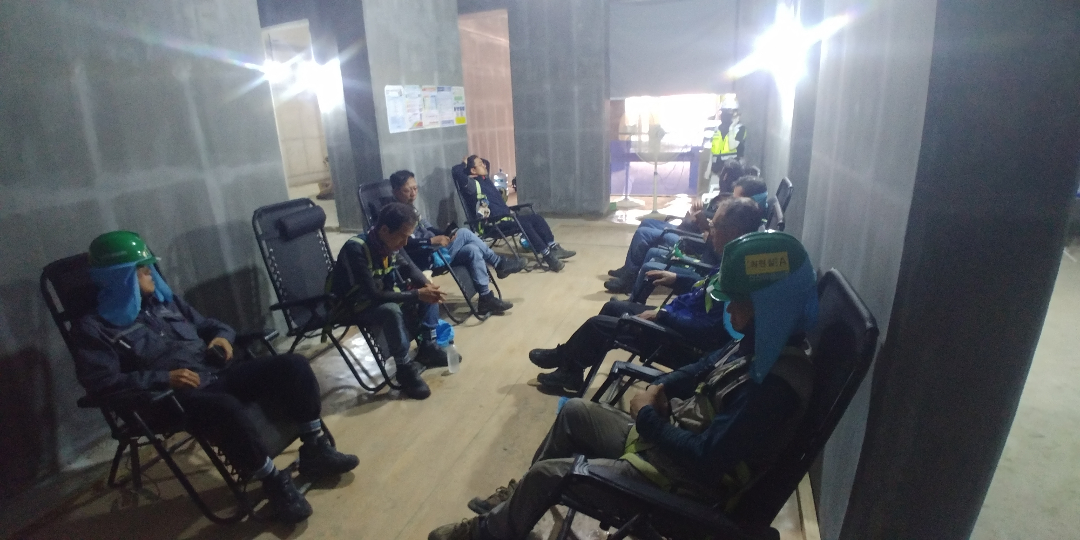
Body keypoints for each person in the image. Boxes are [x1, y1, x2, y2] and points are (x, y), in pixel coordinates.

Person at [428, 231, 818, 540]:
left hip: (679, 488)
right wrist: (661, 385)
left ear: (770, 305)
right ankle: (518, 505)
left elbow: (706, 461)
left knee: (550, 475)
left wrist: (647, 416)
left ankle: (486, 532)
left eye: (738, 302)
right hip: (666, 452)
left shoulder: (770, 388)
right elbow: (703, 365)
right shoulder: (761, 342)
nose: (730, 309)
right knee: (575, 412)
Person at [72, 231, 359, 524]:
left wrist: (222, 338)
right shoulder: (94, 328)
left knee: (293, 365)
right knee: (224, 407)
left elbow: (209, 325)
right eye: (143, 271)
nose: (152, 275)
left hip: (217, 371)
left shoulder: (165, 302)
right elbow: (101, 383)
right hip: (171, 399)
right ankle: (273, 481)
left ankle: (314, 449)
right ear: (119, 278)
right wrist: (163, 378)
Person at [530, 197, 766, 394]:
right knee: (613, 309)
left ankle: (566, 363)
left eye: (715, 226)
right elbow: (707, 288)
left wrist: (662, 315)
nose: (710, 231)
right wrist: (677, 279)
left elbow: (710, 330)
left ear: (734, 231)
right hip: (677, 317)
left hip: (680, 340)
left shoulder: (740, 277)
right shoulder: (735, 258)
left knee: (598, 325)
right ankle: (569, 367)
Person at [328, 202, 448, 400]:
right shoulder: (356, 249)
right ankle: (404, 368)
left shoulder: (390, 244)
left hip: (380, 296)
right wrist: (417, 294)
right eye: (402, 236)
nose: (405, 243)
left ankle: (428, 345)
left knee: (427, 291)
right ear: (384, 230)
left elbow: (409, 268)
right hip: (353, 306)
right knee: (392, 309)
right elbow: (373, 294)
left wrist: (428, 287)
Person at [604, 160, 753, 293]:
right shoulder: (726, 201)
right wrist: (696, 213)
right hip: (686, 228)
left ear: (725, 176)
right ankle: (628, 269)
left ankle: (629, 279)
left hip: (690, 238)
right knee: (646, 222)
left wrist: (702, 222)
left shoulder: (732, 213)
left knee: (644, 233)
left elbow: (710, 232)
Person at [390, 170, 522, 315]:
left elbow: (429, 228)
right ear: (396, 191)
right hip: (425, 258)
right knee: (464, 233)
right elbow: (404, 244)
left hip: (436, 250)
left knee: (472, 249)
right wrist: (431, 240)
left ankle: (485, 298)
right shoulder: (396, 214)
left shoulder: (412, 209)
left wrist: (444, 233)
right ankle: (498, 263)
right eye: (408, 190)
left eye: (415, 188)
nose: (413, 193)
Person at [452, 155, 575, 271]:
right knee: (525, 224)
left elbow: (487, 163)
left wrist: (476, 162)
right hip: (493, 224)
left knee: (537, 218)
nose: (484, 165)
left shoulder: (485, 180)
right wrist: (464, 163)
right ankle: (547, 256)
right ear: (473, 170)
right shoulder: (471, 185)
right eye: (480, 164)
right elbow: (456, 172)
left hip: (506, 219)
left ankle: (553, 247)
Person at [709, 94, 747, 179]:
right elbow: (712, 153)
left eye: (728, 112)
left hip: (732, 171)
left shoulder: (740, 129)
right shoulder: (717, 129)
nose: (724, 115)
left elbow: (732, 146)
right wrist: (708, 171)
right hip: (716, 170)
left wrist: (731, 128)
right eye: (723, 112)